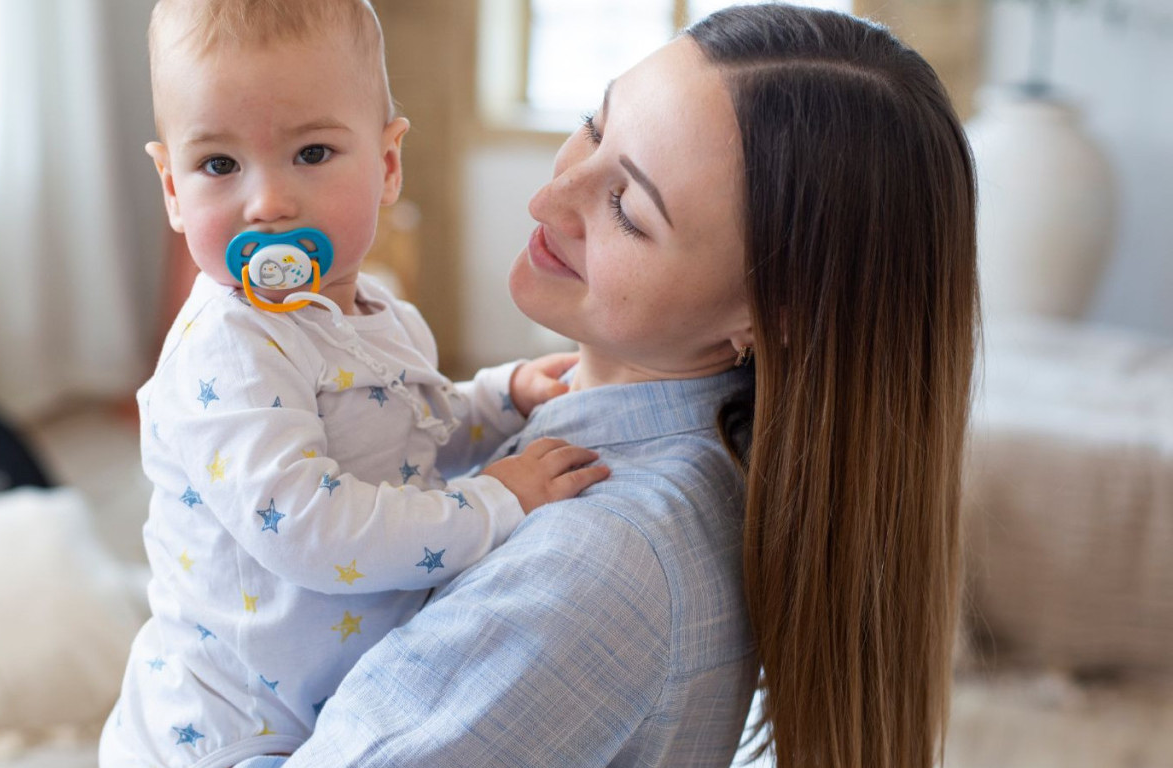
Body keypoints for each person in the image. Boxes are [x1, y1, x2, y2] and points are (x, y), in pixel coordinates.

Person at [263, 5, 979, 768]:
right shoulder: (668, 448)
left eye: (630, 211)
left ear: (769, 315)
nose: (550, 198)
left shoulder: (594, 565)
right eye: (594, 127)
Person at [99, 2, 609, 767]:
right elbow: (307, 527)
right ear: (173, 187)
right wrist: (497, 499)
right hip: (230, 731)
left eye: (311, 153)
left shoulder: (382, 314)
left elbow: (413, 432)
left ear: (388, 164)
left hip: (330, 701)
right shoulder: (232, 351)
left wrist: (499, 399)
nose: (267, 202)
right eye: (219, 165)